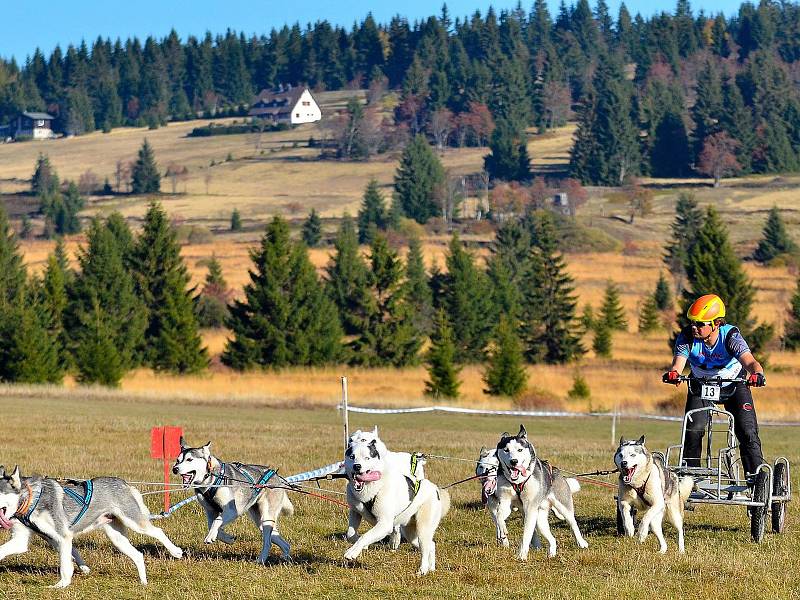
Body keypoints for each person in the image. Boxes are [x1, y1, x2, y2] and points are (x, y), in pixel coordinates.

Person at [662, 294, 766, 479]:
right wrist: (674, 374)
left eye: (701, 324)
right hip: (700, 385)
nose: (694, 327)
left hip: (734, 384)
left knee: (747, 431)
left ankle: (757, 480)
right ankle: (690, 479)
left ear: (716, 324)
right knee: (693, 430)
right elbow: (678, 364)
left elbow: (751, 363)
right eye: (693, 322)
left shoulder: (731, 337)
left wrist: (757, 374)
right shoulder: (687, 337)